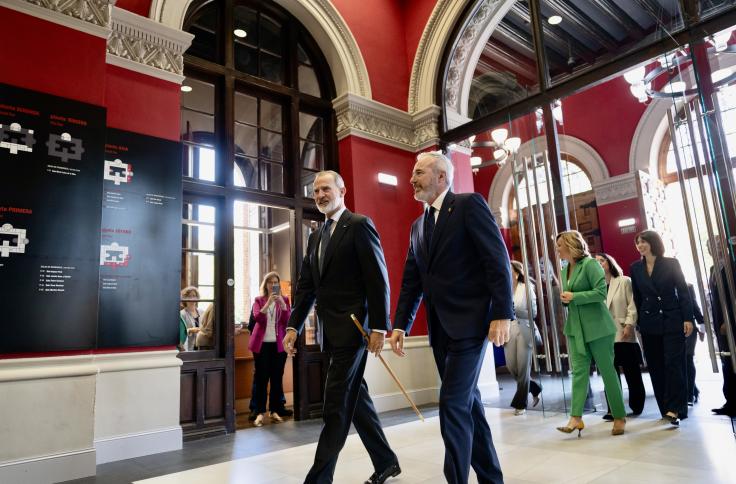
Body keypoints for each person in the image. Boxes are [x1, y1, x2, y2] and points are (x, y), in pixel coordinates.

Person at [391, 151, 513, 484]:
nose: (411, 179)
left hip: (472, 326)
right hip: (440, 332)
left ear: (441, 177)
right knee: (469, 406)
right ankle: (492, 479)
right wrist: (400, 323)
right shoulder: (418, 225)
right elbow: (413, 280)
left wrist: (502, 312)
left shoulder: (469, 205)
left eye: (418, 173)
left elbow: (496, 259)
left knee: (452, 405)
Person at [283, 170, 400, 484]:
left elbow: (378, 279)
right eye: (316, 191)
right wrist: (293, 326)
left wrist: (379, 326)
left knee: (335, 405)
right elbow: (307, 287)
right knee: (355, 398)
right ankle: (386, 461)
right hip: (328, 333)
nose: (320, 195)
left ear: (342, 190)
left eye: (325, 188)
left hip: (354, 331)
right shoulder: (316, 236)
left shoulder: (359, 226)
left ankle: (318, 479)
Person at [555, 231, 626, 436]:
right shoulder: (565, 269)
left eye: (560, 245)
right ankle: (575, 417)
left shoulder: (591, 264)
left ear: (570, 245)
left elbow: (601, 293)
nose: (557, 249)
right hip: (575, 328)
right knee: (578, 373)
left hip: (598, 327)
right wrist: (565, 299)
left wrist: (574, 296)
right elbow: (568, 298)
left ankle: (619, 417)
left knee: (607, 372)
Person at [630, 230, 693, 426]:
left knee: (674, 364)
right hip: (649, 324)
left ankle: (676, 408)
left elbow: (683, 292)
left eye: (644, 241)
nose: (640, 245)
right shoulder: (635, 268)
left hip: (672, 319)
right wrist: (639, 322)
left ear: (653, 243)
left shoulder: (671, 263)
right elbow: (638, 297)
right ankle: (665, 408)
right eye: (638, 242)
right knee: (656, 366)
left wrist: (688, 318)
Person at [595, 253, 645, 419]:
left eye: (601, 260)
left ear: (609, 263)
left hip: (623, 331)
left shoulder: (624, 281)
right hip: (604, 335)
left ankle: (636, 405)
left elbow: (632, 304)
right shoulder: (595, 286)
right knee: (610, 374)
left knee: (632, 373)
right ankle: (613, 409)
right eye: (595, 262)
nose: (599, 263)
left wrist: (630, 325)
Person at [250, 271, 292, 427]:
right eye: (270, 282)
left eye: (276, 282)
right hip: (261, 345)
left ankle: (276, 408)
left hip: (278, 345)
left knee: (276, 377)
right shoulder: (258, 300)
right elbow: (258, 319)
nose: (273, 285)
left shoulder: (285, 300)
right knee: (261, 377)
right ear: (265, 284)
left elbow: (287, 321)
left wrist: (282, 304)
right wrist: (268, 303)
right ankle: (257, 410)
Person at [505, 260, 542, 415]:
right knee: (512, 367)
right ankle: (534, 387)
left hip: (525, 328)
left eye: (509, 268)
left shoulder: (527, 288)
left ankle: (521, 404)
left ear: (517, 272)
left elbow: (533, 313)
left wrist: (515, 312)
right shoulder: (503, 289)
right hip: (509, 330)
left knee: (523, 367)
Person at [708, 237, 736, 417]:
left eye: (718, 244)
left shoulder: (733, 265)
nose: (714, 248)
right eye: (710, 245)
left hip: (731, 322)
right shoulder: (713, 269)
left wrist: (729, 320)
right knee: (726, 362)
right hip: (719, 324)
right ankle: (731, 402)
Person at [685, 284, 705, 406]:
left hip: (690, 328)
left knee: (688, 358)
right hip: (672, 328)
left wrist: (702, 327)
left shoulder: (688, 286)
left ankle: (690, 394)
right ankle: (694, 390)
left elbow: (694, 305)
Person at [179, 286, 203, 352]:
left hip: (201, 346)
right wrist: (190, 330)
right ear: (184, 298)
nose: (192, 298)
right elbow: (179, 333)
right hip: (188, 347)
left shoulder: (202, 312)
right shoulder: (181, 314)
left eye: (194, 296)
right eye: (189, 296)